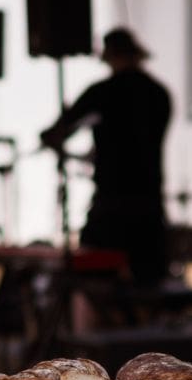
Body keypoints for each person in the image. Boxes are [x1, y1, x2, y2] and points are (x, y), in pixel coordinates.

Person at [39, 27, 171, 285]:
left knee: (94, 278)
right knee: (149, 281)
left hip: (111, 203)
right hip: (149, 202)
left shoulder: (102, 92)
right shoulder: (159, 94)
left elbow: (55, 133)